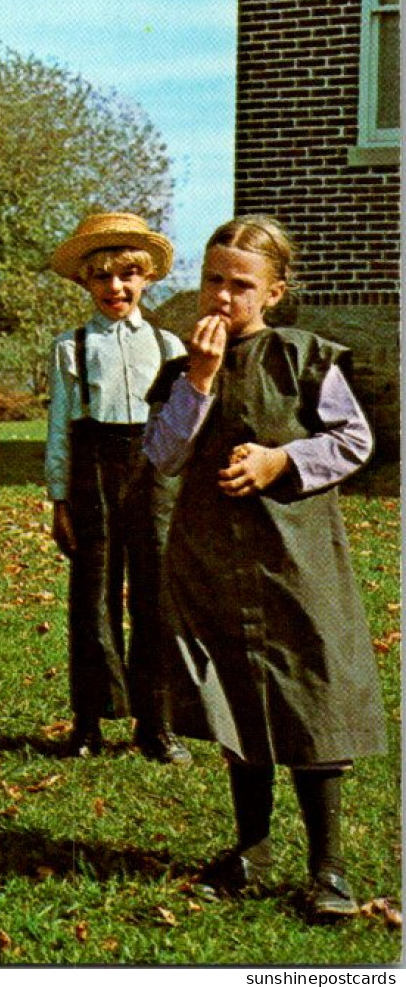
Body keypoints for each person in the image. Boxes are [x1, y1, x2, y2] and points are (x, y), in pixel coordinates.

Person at [144, 215, 384, 921]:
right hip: (212, 559)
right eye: (211, 280)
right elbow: (161, 455)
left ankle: (328, 866)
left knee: (309, 692)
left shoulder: (303, 358)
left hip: (294, 560)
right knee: (235, 695)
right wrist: (200, 379)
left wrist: (282, 460)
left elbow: (353, 441)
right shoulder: (182, 367)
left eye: (239, 285)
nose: (221, 297)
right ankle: (250, 846)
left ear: (273, 292)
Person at [44, 213, 190, 764]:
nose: (116, 288)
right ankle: (90, 719)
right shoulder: (71, 347)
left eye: (128, 276)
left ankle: (157, 722)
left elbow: (183, 421)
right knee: (93, 597)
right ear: (86, 282)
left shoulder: (167, 344)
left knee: (156, 599)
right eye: (102, 277)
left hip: (153, 474)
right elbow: (60, 426)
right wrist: (59, 498)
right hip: (92, 474)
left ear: (146, 279)